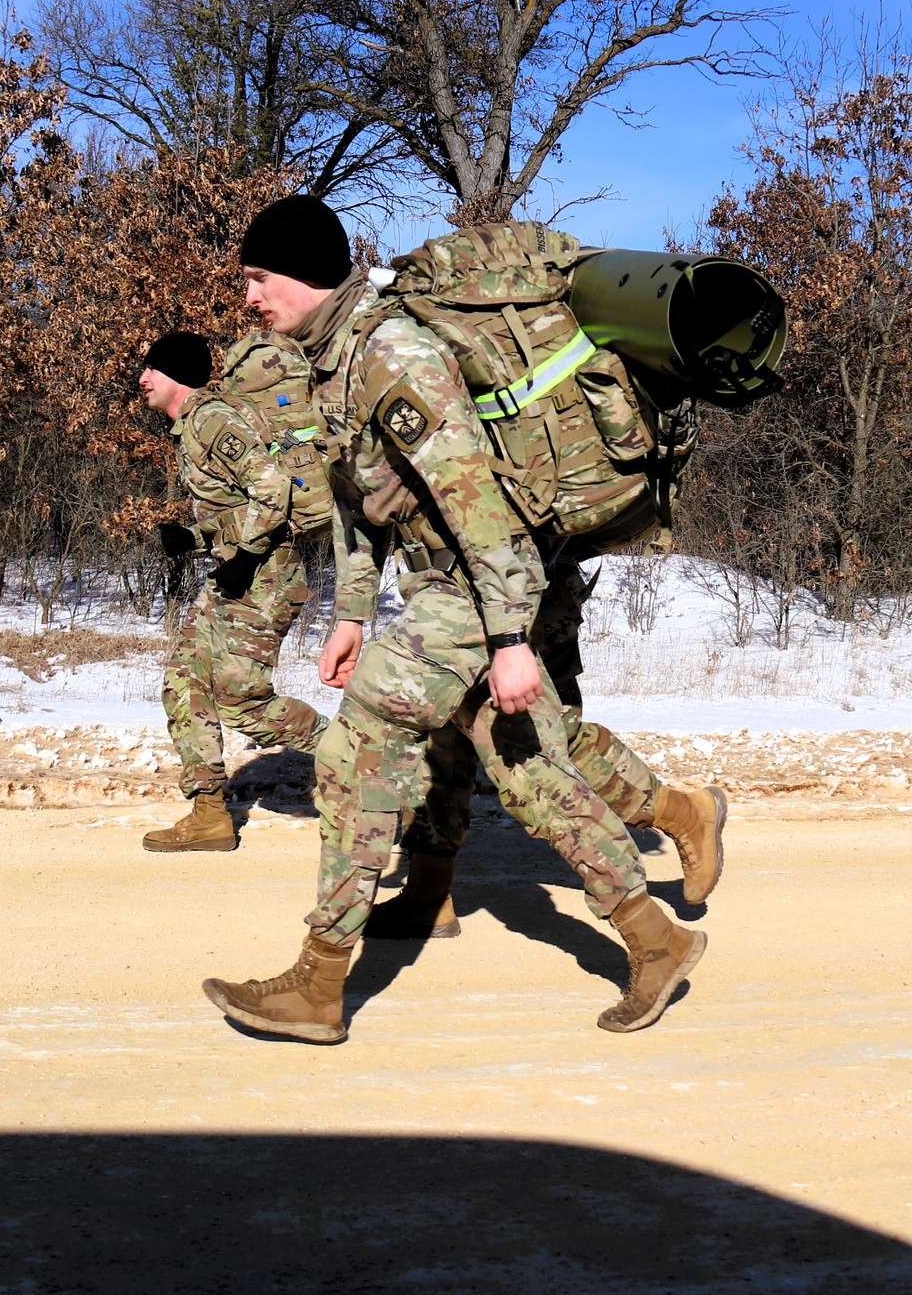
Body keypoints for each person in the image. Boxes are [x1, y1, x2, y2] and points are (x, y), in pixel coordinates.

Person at [201, 197, 711, 1040]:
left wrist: (511, 640)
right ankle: (655, 938)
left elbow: (475, 499)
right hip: (453, 590)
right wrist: (352, 614)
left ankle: (320, 983)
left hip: (475, 595)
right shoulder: (332, 361)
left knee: (355, 748)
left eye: (259, 278)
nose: (249, 298)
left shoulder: (390, 352)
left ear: (307, 271)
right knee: (523, 765)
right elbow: (356, 503)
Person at [369, 546, 726, 938]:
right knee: (444, 730)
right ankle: (428, 893)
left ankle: (682, 814)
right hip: (456, 588)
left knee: (540, 742)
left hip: (523, 588)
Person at [137, 330, 328, 853]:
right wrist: (196, 538)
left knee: (242, 700)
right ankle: (209, 813)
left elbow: (272, 487)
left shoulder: (213, 419)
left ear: (175, 373)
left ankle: (358, 756)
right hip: (235, 572)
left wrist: (244, 556)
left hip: (267, 574)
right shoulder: (192, 426)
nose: (142, 379)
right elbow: (239, 507)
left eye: (151, 369)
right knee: (184, 677)